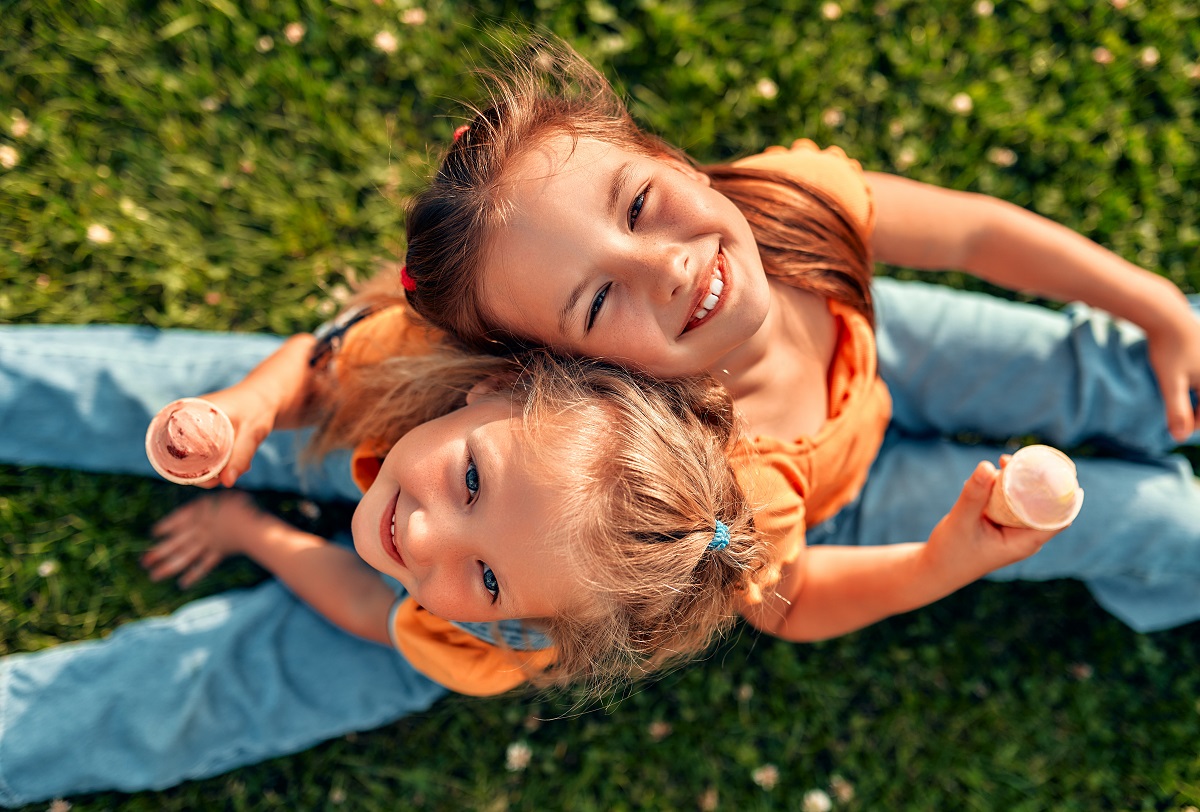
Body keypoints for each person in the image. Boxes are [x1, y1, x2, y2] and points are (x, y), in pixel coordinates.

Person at [398, 36, 1200, 637]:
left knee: (1137, 366)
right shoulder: (724, 481)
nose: (667, 268)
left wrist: (1155, 304)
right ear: (572, 373)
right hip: (844, 499)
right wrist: (944, 562)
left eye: (638, 205)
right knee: (1162, 524)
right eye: (601, 301)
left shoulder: (786, 208)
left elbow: (975, 236)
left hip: (878, 340)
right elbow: (793, 598)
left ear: (674, 159)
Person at [0, 301, 776, 806]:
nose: (426, 539)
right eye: (472, 481)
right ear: (496, 386)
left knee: (212, 690)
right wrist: (243, 412)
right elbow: (307, 369)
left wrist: (253, 532)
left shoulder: (506, 637)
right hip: (397, 414)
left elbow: (370, 603)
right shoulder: (413, 357)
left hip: (415, 625)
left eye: (490, 575)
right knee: (169, 401)